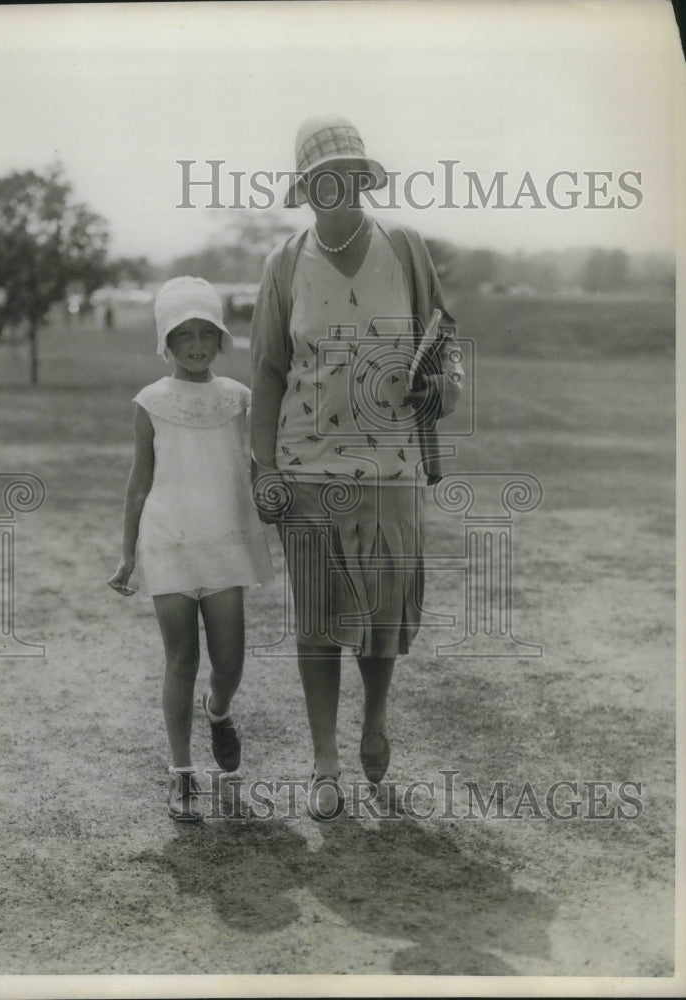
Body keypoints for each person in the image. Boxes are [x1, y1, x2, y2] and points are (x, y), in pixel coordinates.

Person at [250, 114, 464, 820]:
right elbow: (269, 372)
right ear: (306, 188)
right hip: (305, 468)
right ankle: (324, 762)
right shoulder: (283, 263)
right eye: (320, 179)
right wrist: (263, 469)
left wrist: (437, 385)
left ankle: (374, 721)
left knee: (378, 619)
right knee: (318, 621)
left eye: (346, 174)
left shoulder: (402, 248)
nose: (334, 188)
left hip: (393, 467)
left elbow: (444, 350)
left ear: (363, 179)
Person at [109, 276, 272, 823]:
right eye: (185, 335)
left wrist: (273, 495)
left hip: (223, 544)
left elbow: (252, 468)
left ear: (221, 338)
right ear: (167, 341)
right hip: (167, 542)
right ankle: (181, 774)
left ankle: (218, 712)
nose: (197, 345)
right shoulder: (150, 402)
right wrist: (128, 553)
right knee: (181, 658)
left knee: (228, 662)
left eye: (207, 333)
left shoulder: (239, 399)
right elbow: (139, 482)